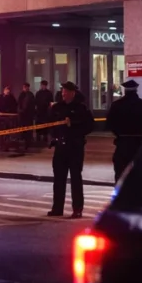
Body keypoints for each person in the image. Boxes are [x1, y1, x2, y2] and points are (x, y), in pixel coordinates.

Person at [47, 81, 94, 218]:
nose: (63, 94)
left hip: (75, 147)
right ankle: (57, 208)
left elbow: (89, 126)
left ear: (73, 93)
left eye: (66, 92)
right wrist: (54, 136)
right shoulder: (57, 107)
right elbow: (51, 124)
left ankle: (77, 209)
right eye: (62, 91)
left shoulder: (81, 108)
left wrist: (73, 125)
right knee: (58, 179)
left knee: (75, 179)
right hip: (60, 147)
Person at [105, 79, 142, 182]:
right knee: (141, 173)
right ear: (136, 90)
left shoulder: (117, 105)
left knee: (120, 173)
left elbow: (109, 123)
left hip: (123, 143)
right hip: (140, 142)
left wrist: (118, 133)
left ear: (125, 91)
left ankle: (121, 195)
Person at [16, 82, 36, 154]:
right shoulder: (21, 95)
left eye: (25, 87)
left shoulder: (30, 95)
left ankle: (28, 143)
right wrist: (20, 111)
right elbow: (18, 104)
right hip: (22, 116)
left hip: (28, 116)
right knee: (23, 130)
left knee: (28, 130)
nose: (24, 88)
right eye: (24, 87)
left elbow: (32, 105)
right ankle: (23, 143)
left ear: (28, 87)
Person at [34, 80, 54, 145]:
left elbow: (51, 102)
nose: (43, 86)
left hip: (46, 112)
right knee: (38, 125)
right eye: (42, 85)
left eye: (44, 85)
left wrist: (49, 109)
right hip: (39, 112)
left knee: (45, 125)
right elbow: (36, 102)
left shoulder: (49, 93)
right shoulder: (38, 93)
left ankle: (45, 137)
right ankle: (38, 137)